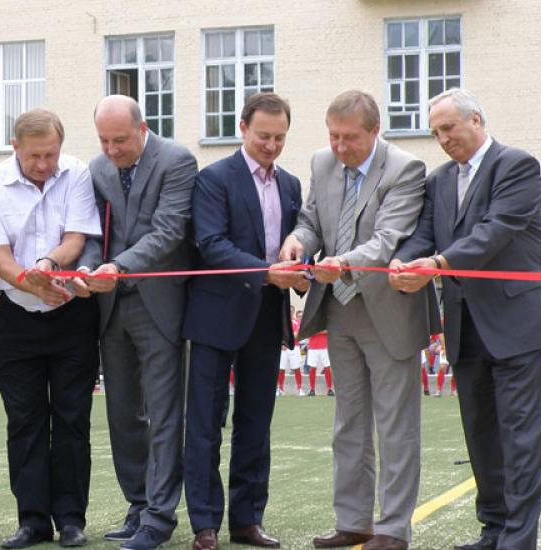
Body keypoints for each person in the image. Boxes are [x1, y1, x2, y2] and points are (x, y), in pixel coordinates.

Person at [389, 88, 541, 550]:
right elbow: (422, 234)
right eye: (436, 132)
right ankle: (493, 529)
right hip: (465, 326)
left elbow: (496, 229)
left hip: (518, 323)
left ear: (476, 120)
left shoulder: (517, 165)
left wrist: (439, 264)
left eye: (449, 128)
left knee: (522, 439)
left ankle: (517, 541)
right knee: (482, 435)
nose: (443, 139)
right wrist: (404, 263)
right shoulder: (439, 180)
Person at [280, 90, 435, 550]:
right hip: (339, 308)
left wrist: (342, 261)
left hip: (388, 311)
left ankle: (392, 529)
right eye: (333, 136)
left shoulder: (405, 169)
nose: (340, 147)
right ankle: (353, 522)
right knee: (348, 422)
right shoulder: (322, 162)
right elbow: (311, 221)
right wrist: (297, 243)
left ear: (374, 130)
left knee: (395, 425)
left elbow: (388, 240)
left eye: (350, 138)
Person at [183, 92, 307, 550]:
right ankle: (205, 524)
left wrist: (302, 273)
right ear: (242, 128)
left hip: (266, 318)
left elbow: (297, 243)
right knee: (204, 425)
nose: (271, 146)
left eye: (279, 138)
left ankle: (247, 521)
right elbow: (211, 244)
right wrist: (266, 271)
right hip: (216, 318)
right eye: (263, 136)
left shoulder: (292, 184)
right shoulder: (214, 179)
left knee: (256, 424)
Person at [72, 94, 197, 550]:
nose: (111, 150)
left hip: (158, 306)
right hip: (109, 306)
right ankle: (138, 504)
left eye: (120, 140)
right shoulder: (98, 168)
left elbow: (168, 230)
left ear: (143, 130)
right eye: (104, 140)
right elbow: (91, 232)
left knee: (163, 415)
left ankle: (159, 519)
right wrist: (88, 267)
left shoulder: (178, 161)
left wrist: (117, 266)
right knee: (123, 414)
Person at [0, 107, 101, 549]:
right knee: (24, 422)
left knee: (72, 419)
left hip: (72, 318)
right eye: (35, 157)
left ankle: (71, 519)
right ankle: (31, 520)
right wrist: (29, 279)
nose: (45, 165)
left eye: (51, 154)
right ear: (15, 148)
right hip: (16, 320)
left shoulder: (78, 173)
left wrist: (49, 264)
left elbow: (75, 238)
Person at [277, 306, 304, 396]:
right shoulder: (280, 323)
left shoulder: (295, 323)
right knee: (281, 369)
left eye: (291, 312)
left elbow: (296, 335)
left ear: (293, 313)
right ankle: (280, 389)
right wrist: (282, 343)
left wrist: (285, 341)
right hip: (283, 349)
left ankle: (300, 389)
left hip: (294, 348)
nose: (289, 313)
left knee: (296, 368)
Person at [306, 331, 333, 397]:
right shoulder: (311, 321)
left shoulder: (325, 321)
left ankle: (329, 389)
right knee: (312, 368)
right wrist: (321, 332)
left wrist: (316, 331)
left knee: (327, 368)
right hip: (313, 347)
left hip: (325, 346)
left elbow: (328, 330)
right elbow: (308, 332)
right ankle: (312, 389)